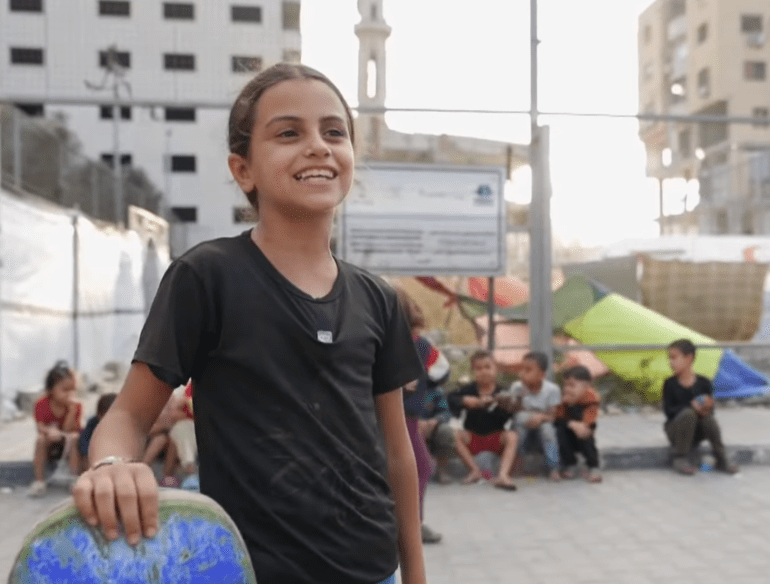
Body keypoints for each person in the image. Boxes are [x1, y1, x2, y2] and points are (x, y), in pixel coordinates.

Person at [72, 63, 426, 584]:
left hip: (375, 572)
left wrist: (414, 573)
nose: (318, 146)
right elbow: (127, 415)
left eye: (334, 132)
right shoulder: (206, 276)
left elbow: (397, 454)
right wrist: (111, 467)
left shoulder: (379, 299)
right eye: (289, 133)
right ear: (243, 170)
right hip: (245, 572)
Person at [396, 288, 451, 544]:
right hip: (406, 416)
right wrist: (422, 380)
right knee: (420, 467)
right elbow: (442, 371)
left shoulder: (371, 340)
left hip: (372, 415)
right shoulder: (419, 345)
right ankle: (412, 524)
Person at [663, 338, 739, 475]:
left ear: (689, 358)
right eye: (670, 358)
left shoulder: (704, 383)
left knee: (708, 418)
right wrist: (691, 407)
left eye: (674, 357)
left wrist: (706, 407)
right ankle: (680, 457)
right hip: (676, 431)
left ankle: (721, 457)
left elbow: (711, 412)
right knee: (688, 413)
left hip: (697, 432)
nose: (671, 362)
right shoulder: (670, 384)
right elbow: (669, 412)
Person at [448, 350, 518, 490]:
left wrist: (504, 405)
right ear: (473, 371)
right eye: (478, 368)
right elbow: (450, 398)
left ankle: (503, 475)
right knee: (453, 434)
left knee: (512, 436)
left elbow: (511, 414)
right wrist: (465, 401)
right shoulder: (468, 390)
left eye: (487, 367)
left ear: (495, 369)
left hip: (496, 438)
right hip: (473, 437)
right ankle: (474, 471)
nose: (484, 371)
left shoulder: (503, 392)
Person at [28, 361, 83, 497]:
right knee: (40, 439)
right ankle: (39, 481)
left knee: (74, 437)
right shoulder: (41, 404)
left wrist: (71, 411)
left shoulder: (76, 406)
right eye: (65, 390)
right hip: (49, 442)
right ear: (51, 390)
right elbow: (40, 427)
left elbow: (69, 430)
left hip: (68, 443)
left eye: (72, 389)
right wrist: (49, 432)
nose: (70, 394)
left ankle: (74, 478)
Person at [506, 352, 562, 482]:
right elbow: (512, 412)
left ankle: (553, 468)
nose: (522, 373)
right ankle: (515, 462)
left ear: (542, 375)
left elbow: (553, 416)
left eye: (528, 370)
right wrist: (519, 397)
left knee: (548, 431)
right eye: (522, 369)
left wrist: (540, 418)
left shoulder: (552, 390)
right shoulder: (517, 387)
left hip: (542, 423)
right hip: (522, 424)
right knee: (519, 426)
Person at [554, 366, 602, 483]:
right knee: (559, 431)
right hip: (568, 432)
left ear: (586, 386)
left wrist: (582, 426)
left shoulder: (591, 399)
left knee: (586, 435)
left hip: (583, 430)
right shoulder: (563, 400)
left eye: (572, 385)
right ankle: (570, 464)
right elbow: (557, 417)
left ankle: (594, 466)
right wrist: (571, 422)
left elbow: (590, 418)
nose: (567, 389)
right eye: (565, 385)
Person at [78, 393, 118, 470]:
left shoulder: (121, 426)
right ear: (99, 415)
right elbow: (83, 441)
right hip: (94, 454)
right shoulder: (93, 423)